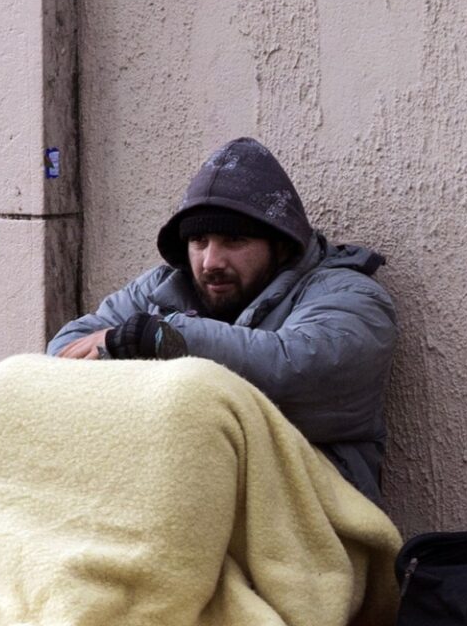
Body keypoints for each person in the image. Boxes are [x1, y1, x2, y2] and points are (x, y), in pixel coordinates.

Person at [47, 136, 398, 501]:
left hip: (312, 514)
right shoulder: (163, 286)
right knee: (8, 387)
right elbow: (66, 351)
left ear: (280, 245)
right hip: (175, 500)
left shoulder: (352, 296)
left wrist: (158, 340)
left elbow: (292, 370)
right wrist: (126, 344)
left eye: (233, 240)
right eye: (199, 240)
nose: (211, 261)